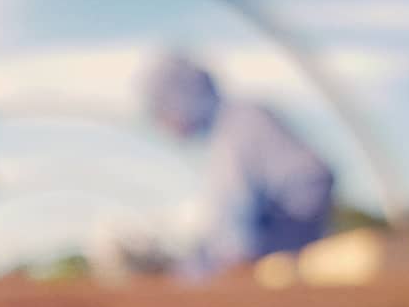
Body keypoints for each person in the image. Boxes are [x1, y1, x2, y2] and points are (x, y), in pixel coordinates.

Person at [142, 53, 335, 275]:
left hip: (281, 222)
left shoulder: (232, 129)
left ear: (178, 99)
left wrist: (232, 260)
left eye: (161, 111)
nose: (163, 125)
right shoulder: (243, 116)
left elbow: (234, 203)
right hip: (289, 228)